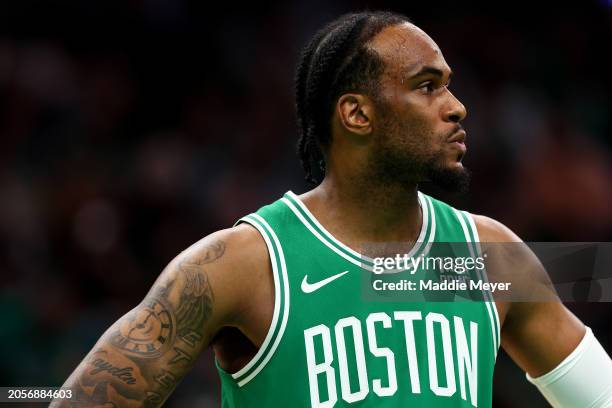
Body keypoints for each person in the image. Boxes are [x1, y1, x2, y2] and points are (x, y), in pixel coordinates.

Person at [52, 11, 612, 408]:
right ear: (357, 115)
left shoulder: (487, 259)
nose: (457, 106)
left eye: (450, 86)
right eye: (427, 87)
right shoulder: (242, 264)